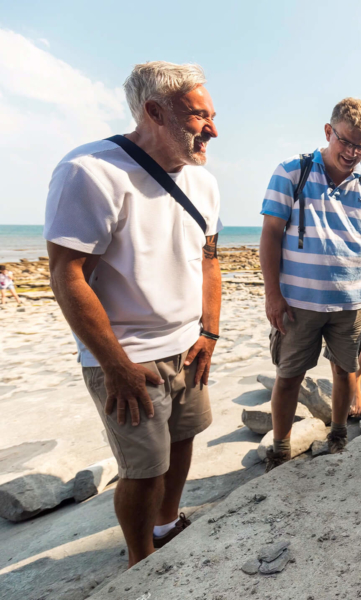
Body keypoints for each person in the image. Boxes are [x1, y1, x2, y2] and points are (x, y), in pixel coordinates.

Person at [44, 61, 221, 567]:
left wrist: (208, 331)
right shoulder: (90, 171)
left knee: (184, 438)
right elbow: (66, 274)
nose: (212, 129)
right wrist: (116, 366)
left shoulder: (203, 182)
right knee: (143, 469)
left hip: (189, 347)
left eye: (212, 116)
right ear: (154, 112)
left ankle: (167, 524)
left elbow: (209, 260)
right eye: (199, 117)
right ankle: (139, 561)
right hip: (128, 356)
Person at [259, 98, 361, 472]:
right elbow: (270, 235)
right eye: (345, 142)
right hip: (298, 303)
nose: (351, 152)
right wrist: (273, 294)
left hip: (353, 303)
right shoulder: (292, 172)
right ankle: (280, 449)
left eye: (360, 145)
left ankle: (337, 436)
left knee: (344, 370)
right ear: (327, 132)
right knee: (288, 377)